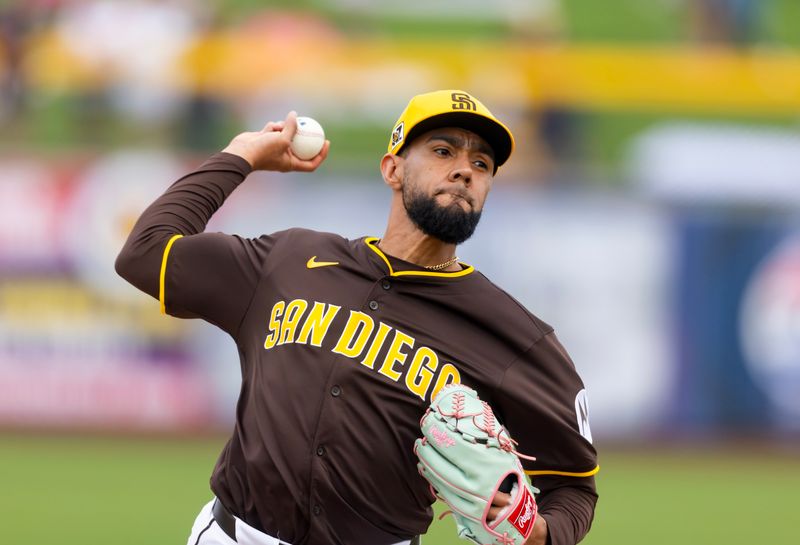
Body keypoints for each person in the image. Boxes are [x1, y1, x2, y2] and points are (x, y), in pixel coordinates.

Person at [115, 89, 599, 545]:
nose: (464, 171)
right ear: (392, 169)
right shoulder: (288, 261)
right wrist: (241, 156)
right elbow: (144, 254)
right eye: (443, 151)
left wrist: (541, 532)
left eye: (481, 163)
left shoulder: (511, 334)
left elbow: (577, 487)